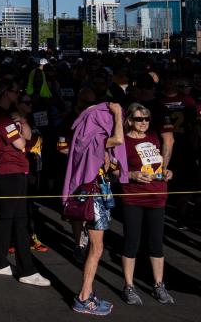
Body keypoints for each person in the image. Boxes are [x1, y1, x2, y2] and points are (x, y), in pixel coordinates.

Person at [0, 82, 50, 287]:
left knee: (10, 218)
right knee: (17, 219)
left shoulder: (11, 114)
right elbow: (22, 144)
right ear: (6, 92)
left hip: (16, 170)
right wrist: (21, 132)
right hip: (9, 171)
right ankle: (25, 269)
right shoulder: (2, 116)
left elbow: (27, 135)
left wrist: (22, 119)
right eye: (16, 91)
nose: (19, 95)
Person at [63, 101, 125, 316]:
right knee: (96, 248)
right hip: (94, 196)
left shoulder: (85, 137)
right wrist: (117, 114)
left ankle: (86, 293)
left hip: (96, 192)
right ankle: (84, 297)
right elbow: (118, 139)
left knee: (96, 248)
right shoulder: (95, 138)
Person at [118, 104, 174, 306]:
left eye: (147, 119)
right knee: (132, 242)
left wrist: (166, 172)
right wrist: (131, 175)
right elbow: (113, 169)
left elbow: (158, 165)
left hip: (157, 196)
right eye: (139, 119)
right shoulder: (122, 141)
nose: (144, 122)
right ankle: (129, 286)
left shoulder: (153, 137)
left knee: (156, 243)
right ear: (130, 120)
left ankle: (159, 285)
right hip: (133, 197)